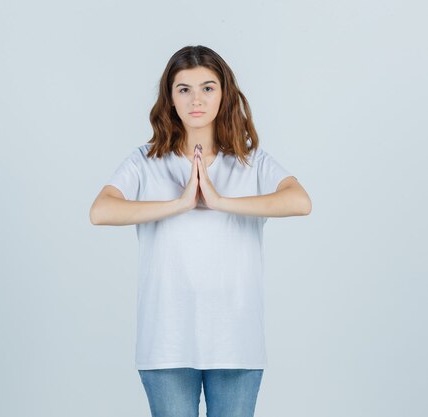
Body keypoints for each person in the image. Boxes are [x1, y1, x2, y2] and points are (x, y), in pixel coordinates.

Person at [89, 45, 312, 417]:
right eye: (184, 89)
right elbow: (100, 211)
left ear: (224, 94)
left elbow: (300, 201)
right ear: (170, 98)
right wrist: (179, 204)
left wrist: (219, 200)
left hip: (236, 339)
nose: (196, 99)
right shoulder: (146, 161)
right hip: (166, 340)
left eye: (208, 88)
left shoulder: (249, 159)